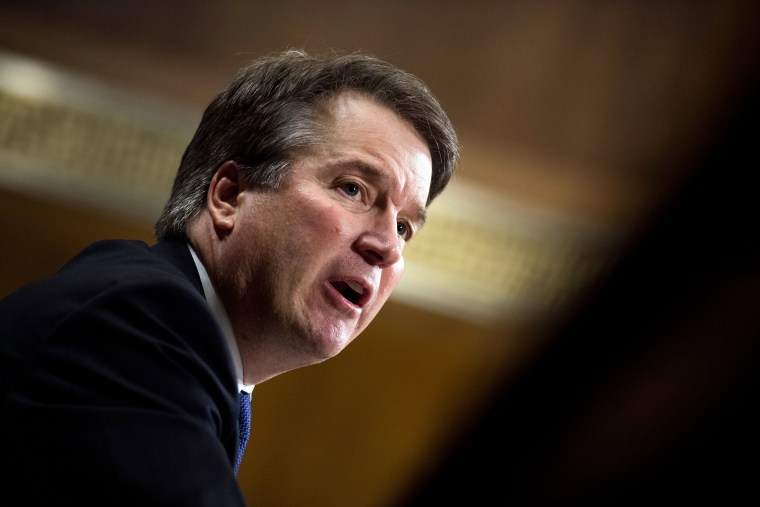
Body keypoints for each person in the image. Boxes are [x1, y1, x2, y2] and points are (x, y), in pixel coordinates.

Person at [0, 49, 458, 505]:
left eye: (403, 227)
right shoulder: (134, 323)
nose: (388, 247)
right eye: (353, 189)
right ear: (230, 195)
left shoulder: (187, 354)